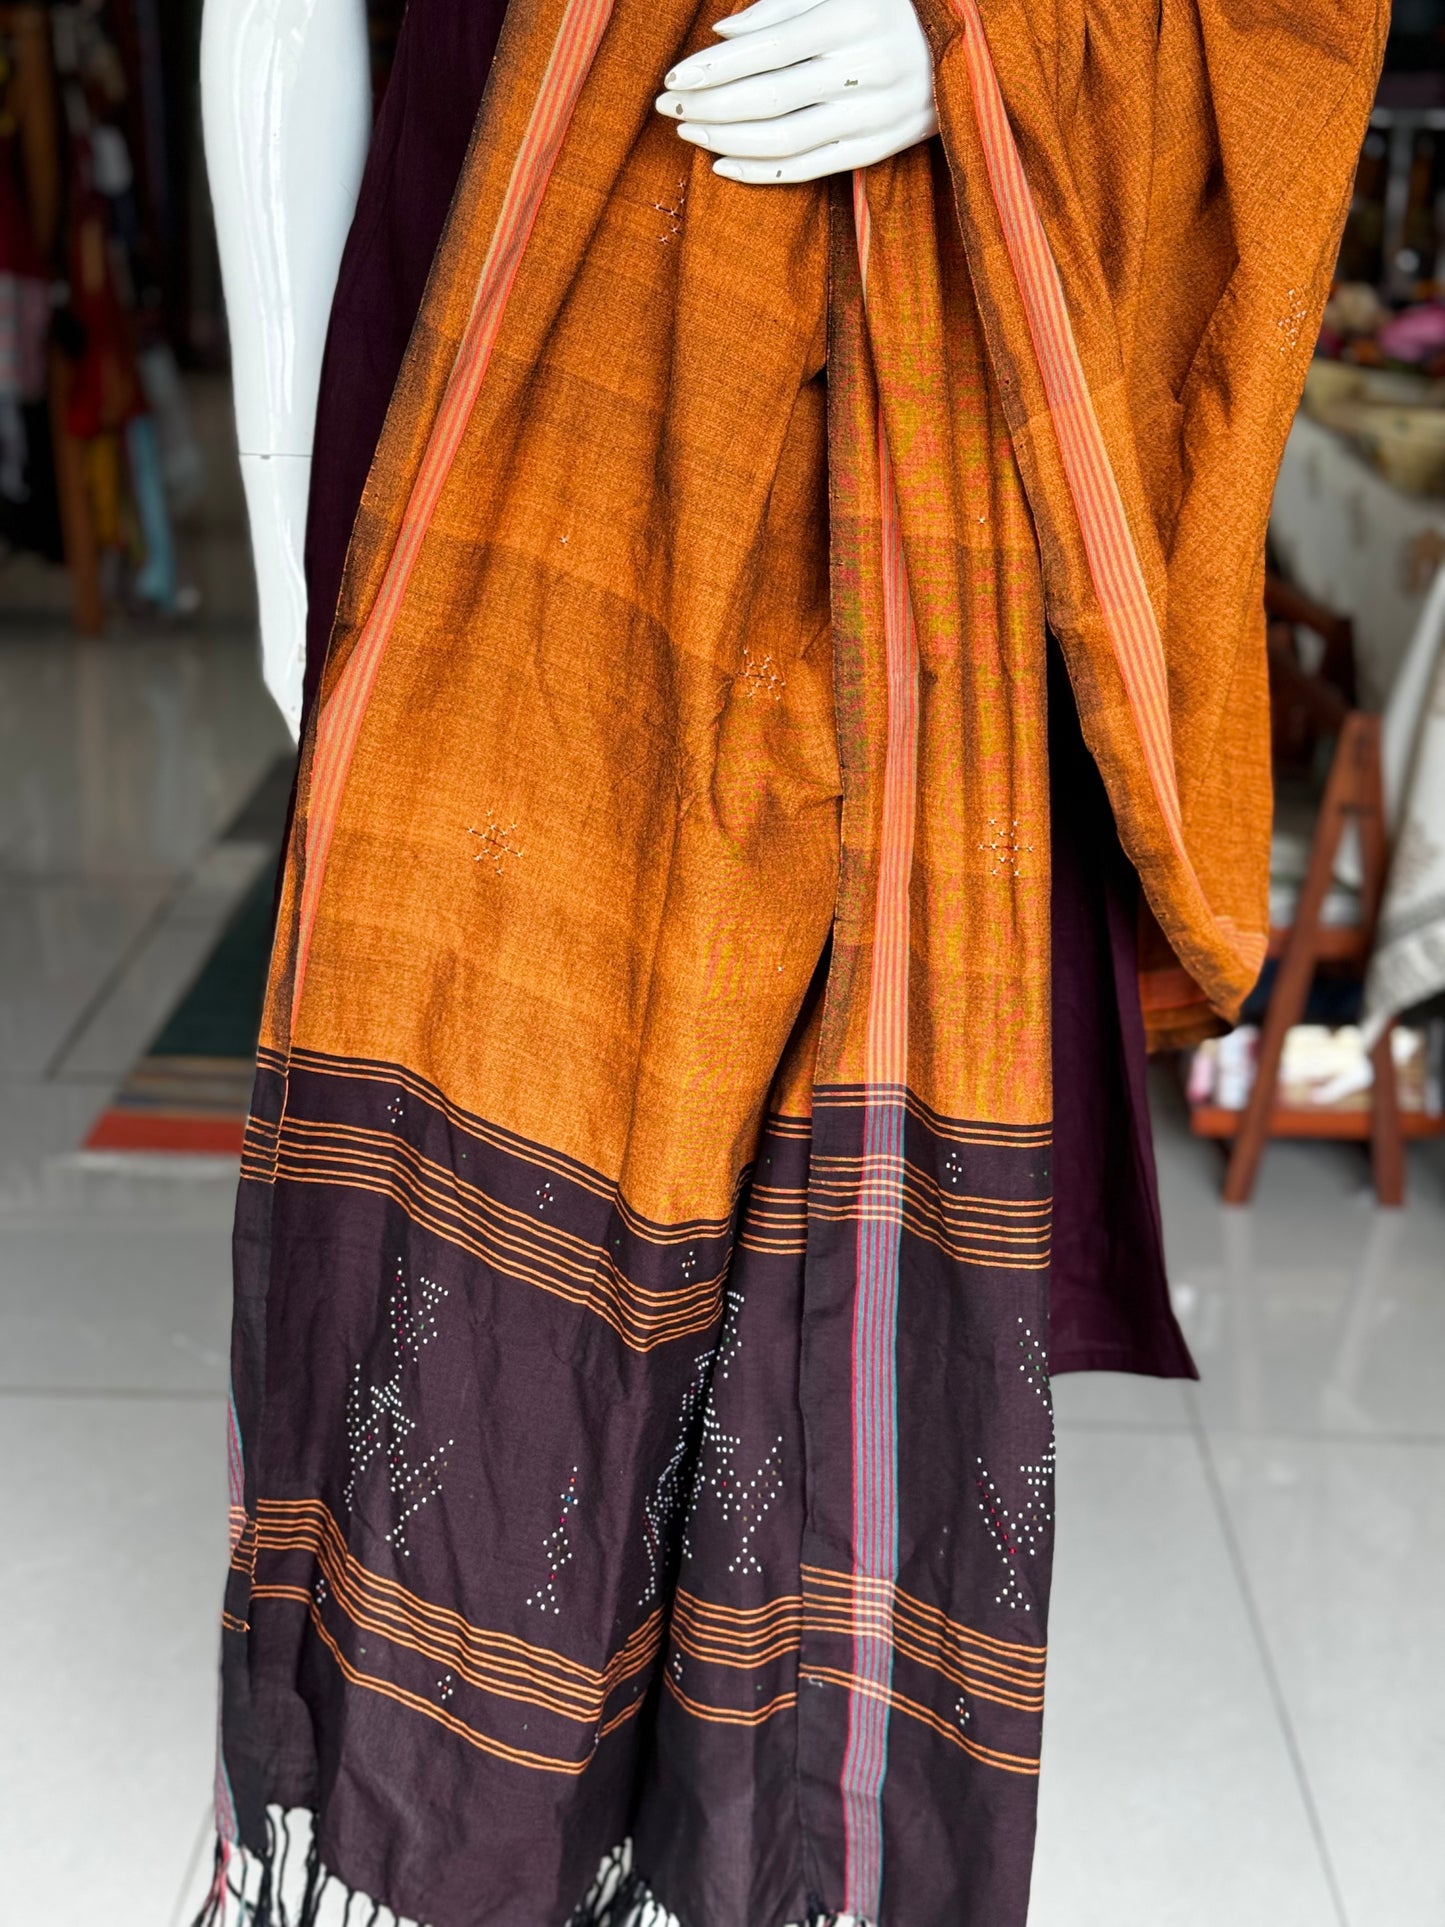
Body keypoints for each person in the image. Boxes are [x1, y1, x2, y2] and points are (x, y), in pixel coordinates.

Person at [198, 0, 1385, 1921]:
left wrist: (986, 49)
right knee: (473, 1261)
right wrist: (287, 503)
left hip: (919, 497)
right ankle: (437, 1859)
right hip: (506, 430)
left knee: (832, 1321)